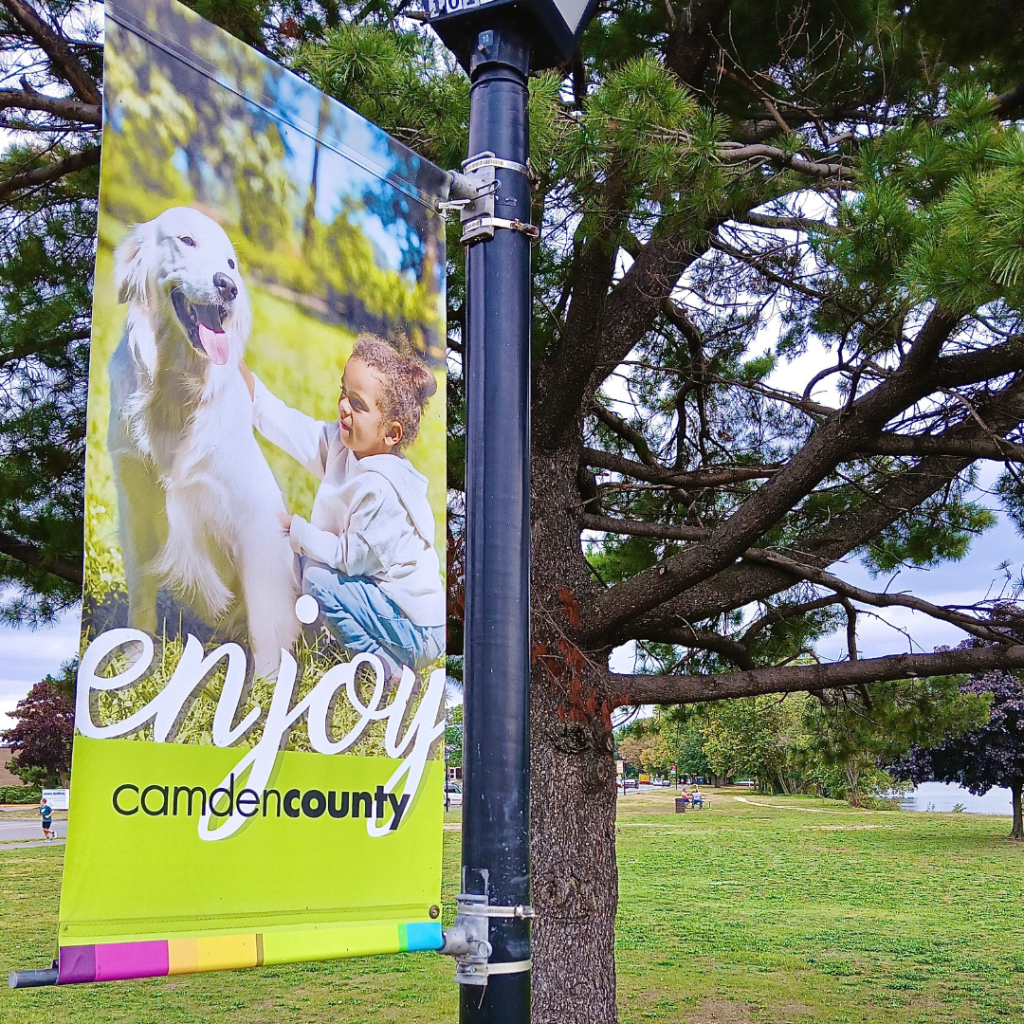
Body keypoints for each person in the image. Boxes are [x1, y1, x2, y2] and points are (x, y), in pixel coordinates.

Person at [240, 335, 445, 682]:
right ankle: (316, 637)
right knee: (302, 564)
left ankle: (387, 670)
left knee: (317, 578)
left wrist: (296, 529)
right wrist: (246, 381)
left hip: (417, 628)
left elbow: (350, 558)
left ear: (391, 433)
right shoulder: (344, 445)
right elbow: (293, 429)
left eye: (358, 404)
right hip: (385, 606)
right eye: (343, 393)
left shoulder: (382, 490)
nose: (344, 407)